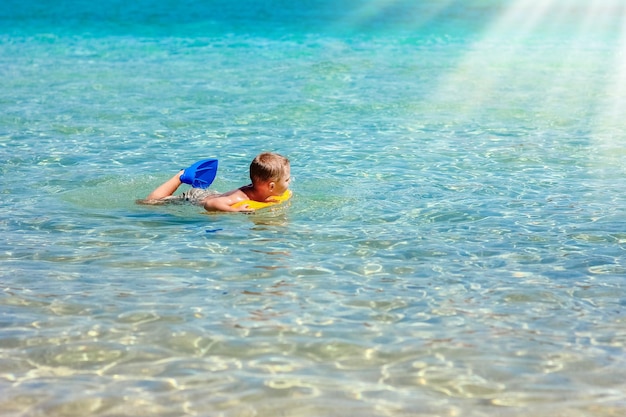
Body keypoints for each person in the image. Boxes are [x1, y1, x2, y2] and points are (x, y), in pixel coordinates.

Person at [142, 152, 291, 212]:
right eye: (287, 179)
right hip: (196, 198)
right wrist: (235, 210)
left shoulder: (267, 192)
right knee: (150, 202)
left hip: (213, 194)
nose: (290, 181)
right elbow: (210, 204)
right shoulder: (240, 198)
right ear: (271, 186)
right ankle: (181, 176)